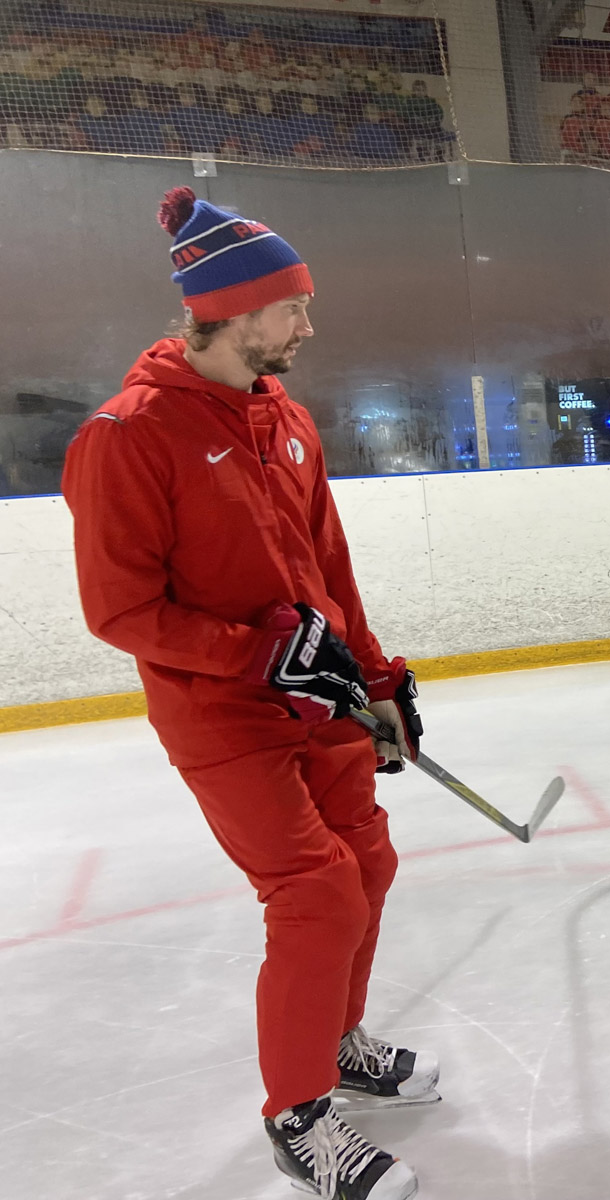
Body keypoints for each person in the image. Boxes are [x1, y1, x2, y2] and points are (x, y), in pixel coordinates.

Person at [60, 187, 434, 1200]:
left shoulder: (287, 420)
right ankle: (298, 1116)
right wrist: (256, 658)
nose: (308, 326)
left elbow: (328, 571)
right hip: (221, 713)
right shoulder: (127, 436)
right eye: (292, 307)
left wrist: (379, 680)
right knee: (314, 894)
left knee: (370, 860)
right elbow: (121, 612)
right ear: (229, 310)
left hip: (321, 702)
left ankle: (339, 1042)